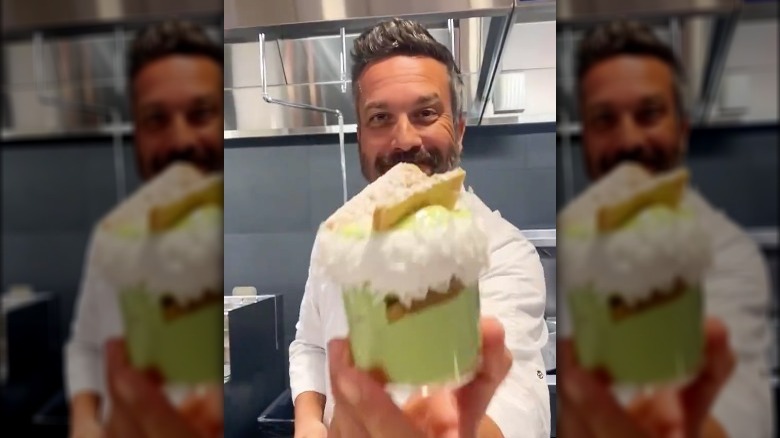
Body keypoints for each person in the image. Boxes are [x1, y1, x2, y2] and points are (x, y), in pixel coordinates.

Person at [289, 18, 551, 438]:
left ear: (460, 130)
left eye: (426, 113)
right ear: (360, 138)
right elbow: (312, 344)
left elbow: (516, 404)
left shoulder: (502, 251)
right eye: (380, 118)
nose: (405, 140)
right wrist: (308, 422)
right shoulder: (336, 235)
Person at [558, 20, 774, 438]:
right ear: (585, 139)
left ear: (683, 129)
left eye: (650, 114)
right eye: (604, 119)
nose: (629, 140)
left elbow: (738, 413)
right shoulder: (570, 236)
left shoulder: (725, 252)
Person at [64, 20, 223, 438]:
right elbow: (85, 344)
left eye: (201, 114)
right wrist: (84, 418)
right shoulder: (114, 234)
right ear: (136, 133)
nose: (181, 141)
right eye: (156, 120)